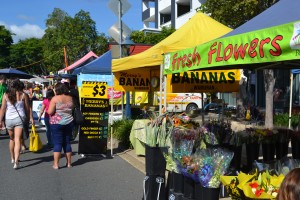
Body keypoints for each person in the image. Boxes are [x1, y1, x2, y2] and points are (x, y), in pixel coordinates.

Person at [0, 79, 33, 169]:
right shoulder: (24, 95)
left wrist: (0, 121)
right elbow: (27, 108)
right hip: (19, 118)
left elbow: (2, 108)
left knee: (12, 139)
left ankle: (12, 158)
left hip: (9, 119)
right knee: (18, 139)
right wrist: (28, 118)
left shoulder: (6, 95)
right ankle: (16, 162)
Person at [48, 83, 74, 169]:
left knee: (57, 143)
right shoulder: (70, 98)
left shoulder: (55, 98)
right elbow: (72, 109)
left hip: (57, 123)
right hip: (69, 122)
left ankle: (56, 164)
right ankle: (69, 163)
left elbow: (50, 112)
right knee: (67, 142)